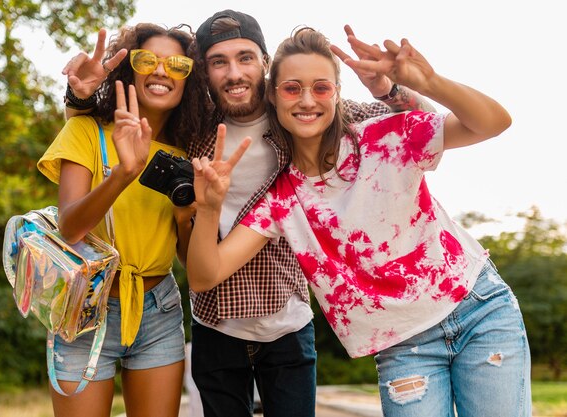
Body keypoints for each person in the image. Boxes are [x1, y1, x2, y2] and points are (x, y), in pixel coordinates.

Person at [61, 10, 434, 417]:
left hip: (288, 321)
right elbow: (121, 127)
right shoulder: (192, 131)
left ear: (265, 63)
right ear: (203, 73)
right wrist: (79, 98)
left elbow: (413, 121)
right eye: (218, 62)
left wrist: (390, 87)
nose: (234, 72)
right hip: (215, 323)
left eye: (245, 58)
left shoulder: (299, 115)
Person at [187, 27, 532, 417]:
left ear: (336, 92)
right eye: (291, 88)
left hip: (478, 309)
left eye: (320, 88)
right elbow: (204, 275)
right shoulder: (282, 200)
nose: (306, 101)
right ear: (272, 94)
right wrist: (210, 208)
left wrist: (429, 82)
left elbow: (493, 122)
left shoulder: (385, 137)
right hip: (403, 344)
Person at [37, 23, 208, 417]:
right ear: (129, 68)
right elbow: (70, 228)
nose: (162, 71)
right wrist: (123, 174)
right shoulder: (85, 130)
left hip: (158, 310)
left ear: (189, 80)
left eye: (177, 65)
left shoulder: (188, 152)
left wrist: (186, 216)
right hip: (86, 306)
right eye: (148, 60)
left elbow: (186, 255)